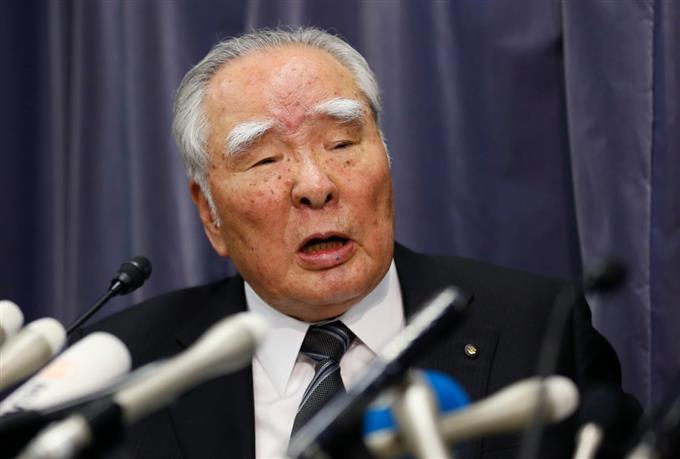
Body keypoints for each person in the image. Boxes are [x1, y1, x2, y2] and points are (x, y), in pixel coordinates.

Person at [75, 27, 639, 458]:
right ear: (210, 214)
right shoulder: (124, 370)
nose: (315, 185)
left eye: (343, 143)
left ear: (387, 161)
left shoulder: (537, 329)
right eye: (266, 159)